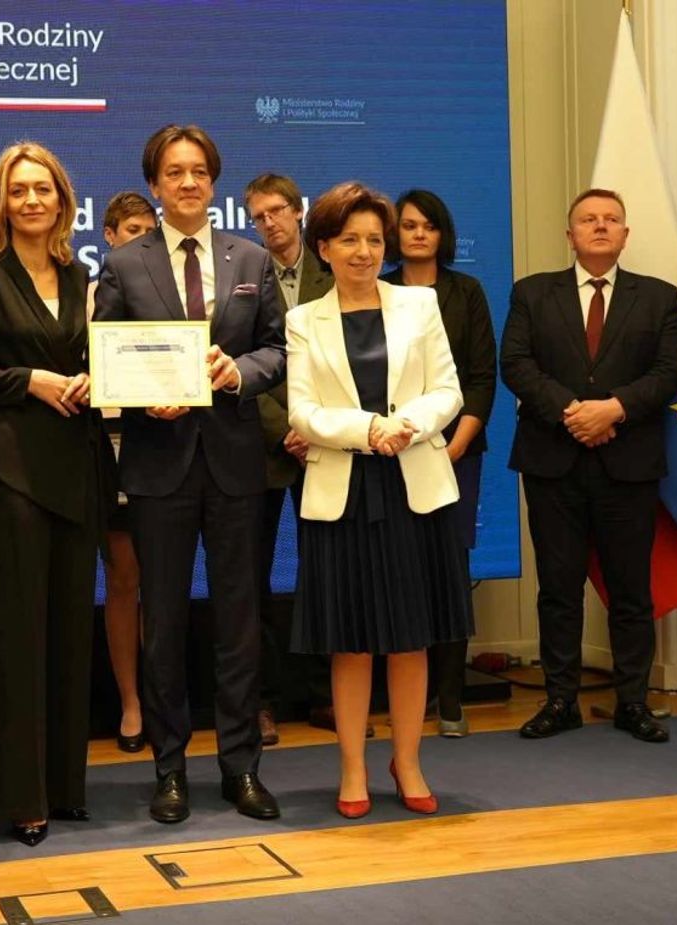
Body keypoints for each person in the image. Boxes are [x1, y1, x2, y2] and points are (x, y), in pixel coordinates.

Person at [94, 124, 286, 825]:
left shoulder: (251, 257)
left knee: (239, 622)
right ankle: (169, 769)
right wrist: (143, 396)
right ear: (154, 184)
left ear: (213, 181)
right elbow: (106, 357)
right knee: (165, 624)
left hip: (235, 463)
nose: (187, 182)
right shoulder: (123, 264)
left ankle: (241, 767)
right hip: (158, 465)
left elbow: (278, 350)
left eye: (199, 170)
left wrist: (237, 372)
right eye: (174, 172)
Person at [286, 182, 473, 819]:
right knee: (352, 641)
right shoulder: (302, 320)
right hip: (344, 489)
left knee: (411, 638)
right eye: (349, 240)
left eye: (373, 239)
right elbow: (303, 412)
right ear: (324, 248)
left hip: (413, 484)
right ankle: (351, 768)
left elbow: (448, 390)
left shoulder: (420, 304)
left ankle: (409, 760)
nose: (364, 252)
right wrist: (367, 430)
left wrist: (406, 426)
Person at [0, 141, 115, 846]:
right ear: (1, 201)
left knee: (71, 635)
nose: (31, 200)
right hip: (11, 473)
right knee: (19, 640)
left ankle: (66, 787)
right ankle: (23, 798)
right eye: (18, 190)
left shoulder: (81, 276)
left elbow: (98, 358)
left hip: (78, 470)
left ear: (62, 199)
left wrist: (95, 379)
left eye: (42, 188)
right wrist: (30, 381)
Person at [499, 188, 677, 744]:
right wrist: (572, 412)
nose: (600, 226)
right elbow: (516, 363)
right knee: (558, 588)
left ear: (625, 234)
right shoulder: (532, 293)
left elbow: (670, 371)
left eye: (611, 219)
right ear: (570, 235)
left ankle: (633, 702)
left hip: (628, 463)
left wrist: (615, 409)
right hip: (553, 462)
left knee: (631, 591)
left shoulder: (659, 297)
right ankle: (561, 701)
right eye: (588, 219)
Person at [379, 189, 497, 738]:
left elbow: (481, 378)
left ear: (443, 233)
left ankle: (450, 699)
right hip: (390, 450)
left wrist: (454, 447)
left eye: (428, 225)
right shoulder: (378, 291)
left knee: (449, 569)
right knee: (397, 569)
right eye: (408, 225)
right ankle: (407, 697)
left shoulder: (465, 292)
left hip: (455, 451)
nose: (419, 234)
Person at [243, 173, 340, 744]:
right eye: (258, 216)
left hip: (326, 443)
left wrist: (317, 427)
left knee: (325, 571)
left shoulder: (333, 271)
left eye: (277, 210)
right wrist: (287, 428)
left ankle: (327, 694)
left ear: (299, 211)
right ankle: (260, 702)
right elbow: (241, 359)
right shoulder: (245, 273)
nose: (270, 223)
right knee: (250, 579)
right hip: (263, 445)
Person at [91, 191, 152, 753]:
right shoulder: (87, 296)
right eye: (131, 230)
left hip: (165, 447)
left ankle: (163, 698)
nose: (141, 239)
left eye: (148, 230)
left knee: (165, 580)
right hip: (107, 450)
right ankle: (131, 702)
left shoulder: (173, 296)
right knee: (123, 578)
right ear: (109, 236)